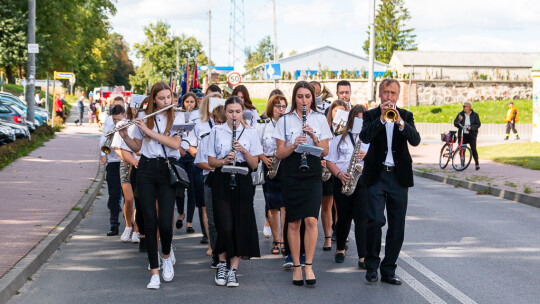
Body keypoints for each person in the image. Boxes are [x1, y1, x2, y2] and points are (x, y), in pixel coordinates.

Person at [119, 81, 182, 289]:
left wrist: (148, 130)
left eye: (169, 97)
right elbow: (137, 146)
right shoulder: (145, 117)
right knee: (149, 221)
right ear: (154, 99)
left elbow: (174, 144)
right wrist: (125, 135)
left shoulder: (177, 117)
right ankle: (154, 271)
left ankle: (166, 256)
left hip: (166, 169)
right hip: (145, 169)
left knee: (165, 222)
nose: (166, 101)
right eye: (162, 98)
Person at [360, 78, 421, 285]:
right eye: (386, 92)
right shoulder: (370, 115)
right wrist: (381, 120)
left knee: (397, 226)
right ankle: (371, 266)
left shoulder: (406, 116)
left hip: (398, 176)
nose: (389, 97)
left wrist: (399, 123)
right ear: (380, 94)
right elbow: (365, 137)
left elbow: (415, 140)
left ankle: (389, 269)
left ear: (398, 95)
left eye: (393, 93)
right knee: (375, 221)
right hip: (376, 175)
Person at [273, 81, 332, 286]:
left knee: (311, 221)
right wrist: (294, 144)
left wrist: (314, 137)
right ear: (294, 98)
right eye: (300, 96)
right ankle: (296, 266)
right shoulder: (285, 120)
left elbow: (325, 150)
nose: (304, 100)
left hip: (313, 170)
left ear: (312, 98)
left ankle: (309, 265)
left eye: (307, 96)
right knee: (294, 221)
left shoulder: (320, 118)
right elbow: (279, 153)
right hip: (291, 171)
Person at [207, 96, 263, 287]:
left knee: (240, 223)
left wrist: (244, 151)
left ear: (242, 113)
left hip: (242, 178)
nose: (233, 115)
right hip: (222, 178)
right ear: (225, 112)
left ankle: (233, 270)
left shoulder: (250, 132)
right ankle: (222, 263)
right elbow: (210, 162)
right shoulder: (216, 131)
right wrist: (224, 159)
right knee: (225, 224)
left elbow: (254, 164)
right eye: (230, 112)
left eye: (237, 112)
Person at [325, 105, 369, 267]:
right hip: (342, 180)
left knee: (361, 218)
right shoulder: (339, 138)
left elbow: (378, 160)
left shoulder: (369, 139)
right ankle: (340, 248)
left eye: (363, 120)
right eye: (357, 119)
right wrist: (339, 174)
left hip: (362, 182)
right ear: (351, 120)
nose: (360, 122)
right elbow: (330, 161)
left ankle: (363, 256)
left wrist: (368, 155)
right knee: (343, 217)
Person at [194, 104, 227, 268]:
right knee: (213, 220)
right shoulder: (207, 136)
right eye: (218, 122)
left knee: (227, 219)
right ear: (213, 120)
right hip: (211, 179)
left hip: (227, 180)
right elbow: (199, 161)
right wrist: (216, 166)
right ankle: (216, 252)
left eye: (223, 122)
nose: (220, 125)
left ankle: (228, 252)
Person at [256, 94, 288, 255]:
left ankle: (284, 239)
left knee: (284, 205)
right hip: (269, 164)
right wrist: (263, 159)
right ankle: (276, 239)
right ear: (271, 108)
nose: (280, 110)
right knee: (273, 205)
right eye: (277, 106)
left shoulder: (289, 124)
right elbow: (256, 145)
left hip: (285, 165)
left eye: (283, 106)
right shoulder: (263, 124)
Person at [111, 105, 140, 244]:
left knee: (139, 200)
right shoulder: (123, 125)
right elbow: (117, 148)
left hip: (142, 165)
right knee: (129, 199)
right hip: (126, 164)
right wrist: (128, 158)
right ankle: (128, 225)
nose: (136, 112)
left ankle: (136, 229)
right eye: (134, 109)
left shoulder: (144, 125)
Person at [99, 97, 127, 237]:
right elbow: (104, 140)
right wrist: (103, 154)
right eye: (115, 120)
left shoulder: (128, 123)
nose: (117, 122)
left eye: (119, 120)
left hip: (126, 161)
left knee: (129, 196)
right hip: (113, 162)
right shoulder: (109, 122)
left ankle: (130, 225)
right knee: (114, 195)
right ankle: (114, 225)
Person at [175, 92, 199, 234]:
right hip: (181, 154)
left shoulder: (198, 116)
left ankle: (189, 222)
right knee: (180, 186)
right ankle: (180, 213)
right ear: (183, 102)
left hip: (193, 155)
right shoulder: (179, 115)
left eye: (192, 101)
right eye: (187, 101)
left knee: (192, 190)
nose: (189, 104)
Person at [454, 101, 481, 170]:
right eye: (463, 106)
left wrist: (471, 128)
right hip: (463, 134)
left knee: (473, 149)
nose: (463, 108)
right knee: (462, 149)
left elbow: (478, 124)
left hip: (471, 134)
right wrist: (459, 121)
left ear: (469, 107)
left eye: (464, 106)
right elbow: (455, 123)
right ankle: (462, 164)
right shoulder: (460, 114)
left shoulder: (475, 115)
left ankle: (477, 163)